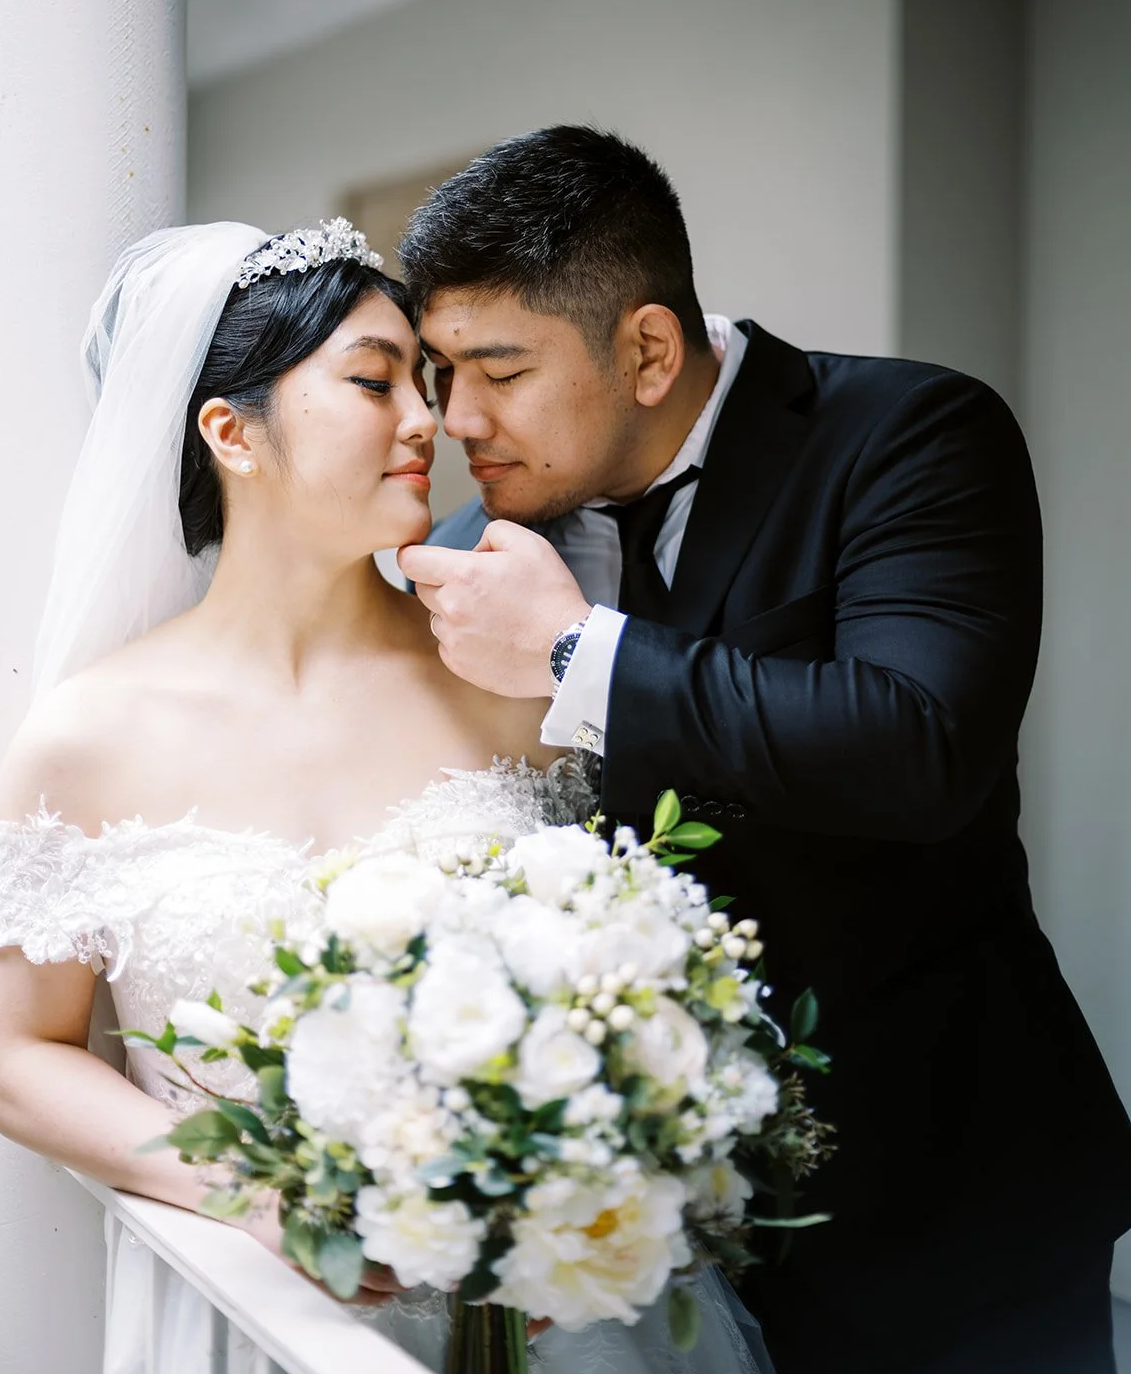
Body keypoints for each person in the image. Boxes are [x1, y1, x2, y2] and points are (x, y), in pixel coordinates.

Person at [0, 219, 769, 1374]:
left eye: (426, 380)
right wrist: (258, 1193)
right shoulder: (88, 739)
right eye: (372, 380)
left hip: (559, 1321)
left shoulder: (507, 678)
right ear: (230, 433)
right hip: (259, 1319)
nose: (427, 421)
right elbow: (19, 1061)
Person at [397, 125, 1131, 1374]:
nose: (457, 415)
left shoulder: (909, 433)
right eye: (435, 368)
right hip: (645, 1255)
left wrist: (583, 658)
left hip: (945, 1199)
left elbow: (918, 744)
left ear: (647, 350)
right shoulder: (479, 549)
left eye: (499, 369)